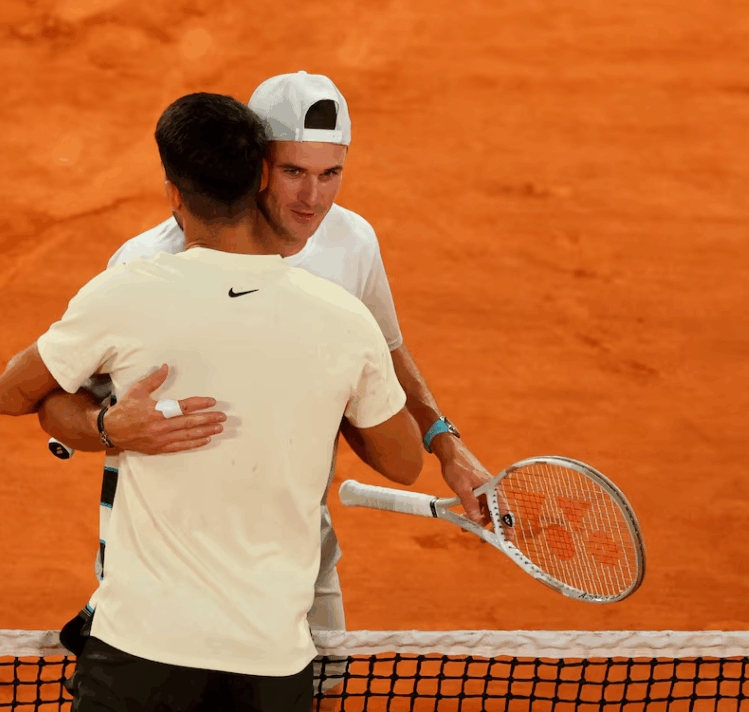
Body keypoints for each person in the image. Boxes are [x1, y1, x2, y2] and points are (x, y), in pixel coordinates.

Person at [36, 73, 498, 673]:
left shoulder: (352, 243)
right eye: (293, 172)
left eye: (330, 174)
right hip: (167, 557)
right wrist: (104, 426)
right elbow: (64, 396)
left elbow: (385, 352)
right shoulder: (150, 262)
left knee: (318, 685)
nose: (313, 198)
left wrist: (446, 444)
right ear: (255, 166)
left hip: (295, 539)